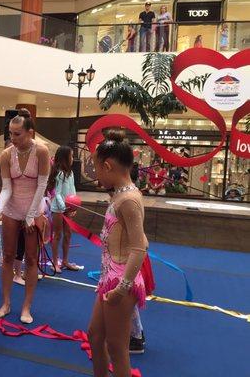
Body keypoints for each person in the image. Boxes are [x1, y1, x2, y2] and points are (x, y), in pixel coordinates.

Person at [88, 130, 148, 377]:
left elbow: (139, 247)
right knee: (95, 336)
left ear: (108, 165)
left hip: (121, 280)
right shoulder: (121, 195)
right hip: (110, 277)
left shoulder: (129, 199)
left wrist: (122, 287)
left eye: (97, 169)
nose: (96, 176)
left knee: (117, 347)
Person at [0, 109, 50, 324]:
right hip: (12, 209)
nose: (12, 138)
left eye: (17, 134)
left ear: (30, 133)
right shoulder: (7, 154)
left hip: (34, 209)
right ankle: (6, 303)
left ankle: (26, 307)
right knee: (8, 256)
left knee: (31, 258)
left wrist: (32, 215)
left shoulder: (41, 151)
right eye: (10, 133)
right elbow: (6, 188)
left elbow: (42, 185)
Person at [47, 146, 83, 273]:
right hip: (58, 208)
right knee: (57, 235)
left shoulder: (71, 173)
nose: (72, 159)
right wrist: (63, 206)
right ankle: (55, 261)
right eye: (71, 156)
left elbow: (72, 190)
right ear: (64, 158)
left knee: (68, 234)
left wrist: (74, 205)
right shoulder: (59, 173)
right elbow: (57, 192)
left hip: (68, 207)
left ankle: (65, 261)